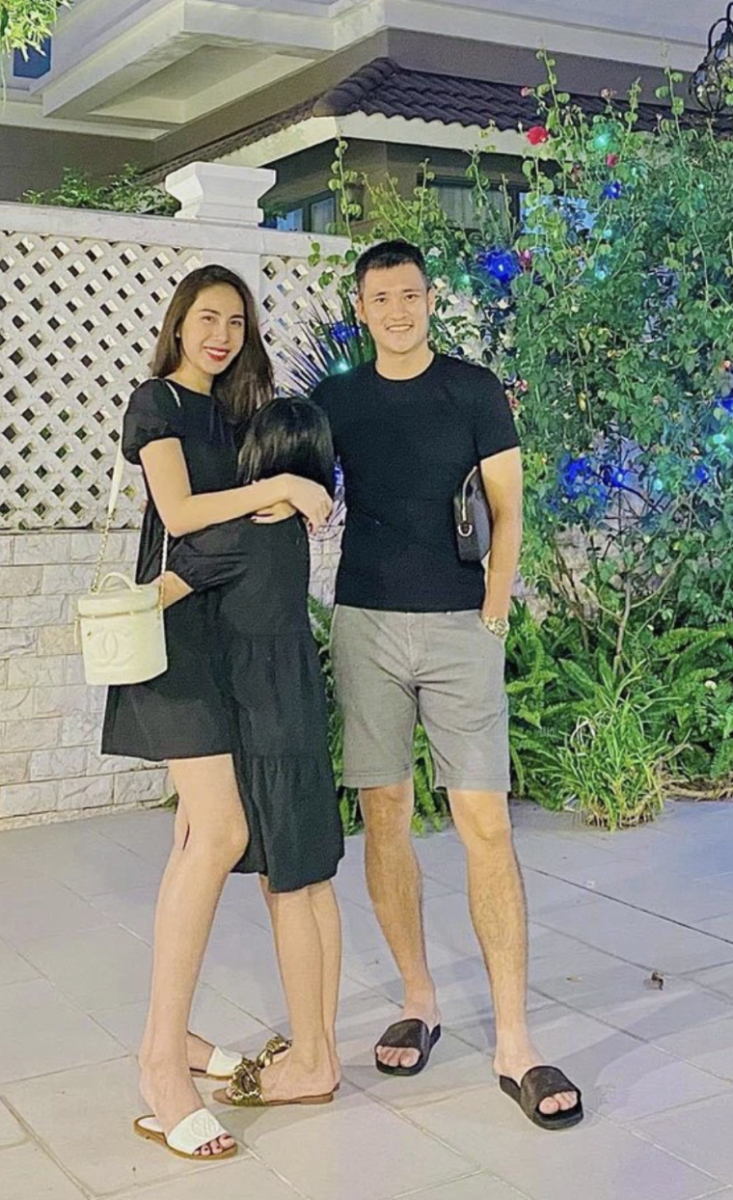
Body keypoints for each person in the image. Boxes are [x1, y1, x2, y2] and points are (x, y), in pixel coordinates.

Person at [311, 240, 582, 1131]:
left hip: (461, 626)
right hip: (366, 624)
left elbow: (508, 507)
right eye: (380, 298)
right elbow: (299, 486)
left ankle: (514, 1042)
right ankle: (419, 998)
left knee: (484, 822)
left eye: (409, 295)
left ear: (429, 301)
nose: (396, 310)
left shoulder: (472, 390)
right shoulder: (338, 401)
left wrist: (493, 612)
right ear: (360, 308)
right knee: (385, 812)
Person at [102, 266, 333, 1162]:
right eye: (207, 318)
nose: (221, 335)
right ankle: (161, 1067)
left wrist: (287, 485)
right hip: (175, 642)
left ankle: (173, 1039)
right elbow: (181, 511)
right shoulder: (157, 402)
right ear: (178, 323)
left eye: (235, 322)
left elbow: (244, 525)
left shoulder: (238, 417)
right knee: (223, 833)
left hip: (225, 642)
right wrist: (279, 490)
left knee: (197, 840)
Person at [145, 396, 344, 1116]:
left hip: (263, 725)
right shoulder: (291, 529)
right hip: (299, 714)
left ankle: (311, 1065)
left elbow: (154, 595)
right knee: (313, 884)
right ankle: (319, 1046)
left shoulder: (238, 531)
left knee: (284, 889)